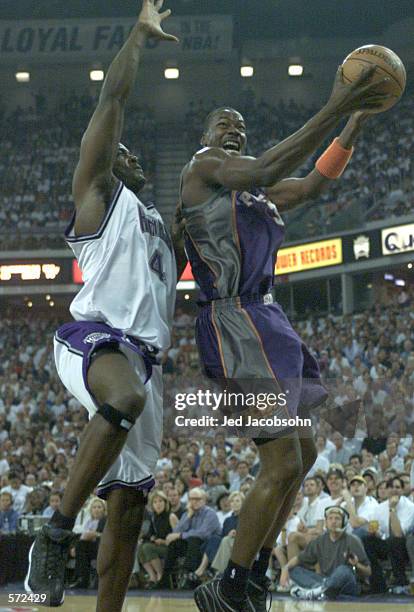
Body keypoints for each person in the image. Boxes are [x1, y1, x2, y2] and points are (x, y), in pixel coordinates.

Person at [181, 65, 390, 612]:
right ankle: (227, 586)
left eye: (241, 126)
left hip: (266, 321)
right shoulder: (205, 169)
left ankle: (248, 577)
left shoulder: (257, 194)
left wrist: (353, 124)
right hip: (235, 321)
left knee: (304, 453)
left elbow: (314, 183)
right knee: (280, 462)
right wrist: (335, 105)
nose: (235, 129)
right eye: (224, 123)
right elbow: (270, 163)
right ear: (206, 138)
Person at [25, 2, 182, 610]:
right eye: (126, 152)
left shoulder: (162, 229)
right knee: (123, 396)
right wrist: (137, 38)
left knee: (131, 506)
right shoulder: (98, 196)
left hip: (147, 360)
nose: (134, 156)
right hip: (93, 337)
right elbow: (112, 103)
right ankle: (56, 533)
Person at [282, 506, 371, 601]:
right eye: (330, 518)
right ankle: (321, 591)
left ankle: (317, 591)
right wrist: (285, 568)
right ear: (326, 522)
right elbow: (299, 559)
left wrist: (356, 564)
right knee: (293, 570)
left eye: (337, 518)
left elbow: (368, 572)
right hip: (324, 580)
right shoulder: (319, 541)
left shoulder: (353, 540)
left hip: (347, 584)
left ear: (344, 522)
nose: (333, 521)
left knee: (343, 570)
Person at [361, 476, 414, 593]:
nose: (394, 490)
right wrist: (375, 533)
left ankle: (401, 581)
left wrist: (392, 509)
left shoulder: (410, 507)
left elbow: (399, 533)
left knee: (394, 541)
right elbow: (377, 530)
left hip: (405, 547)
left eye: (397, 487)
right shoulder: (380, 507)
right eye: (390, 487)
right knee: (366, 540)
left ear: (403, 490)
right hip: (387, 543)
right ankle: (378, 583)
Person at [137, 490, 174, 586]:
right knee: (140, 548)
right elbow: (149, 534)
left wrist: (164, 541)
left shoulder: (171, 516)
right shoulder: (153, 518)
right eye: (155, 502)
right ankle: (152, 576)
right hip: (158, 545)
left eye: (160, 501)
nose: (158, 504)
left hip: (170, 547)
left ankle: (161, 576)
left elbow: (178, 538)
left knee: (147, 548)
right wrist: (152, 538)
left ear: (165, 503)